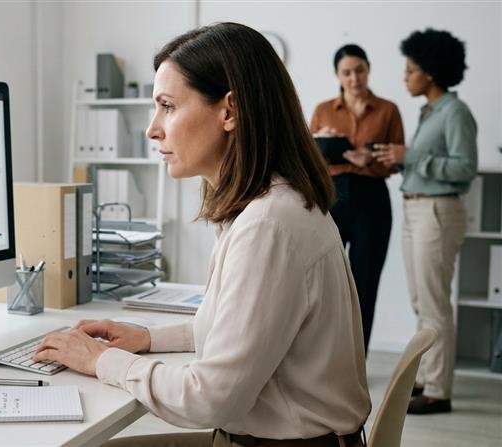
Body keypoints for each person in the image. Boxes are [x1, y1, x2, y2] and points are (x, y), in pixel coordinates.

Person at [34, 22, 371, 446]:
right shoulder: (272, 206)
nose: (152, 129)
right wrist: (147, 338)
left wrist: (104, 360)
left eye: (168, 106)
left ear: (229, 112)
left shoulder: (269, 225)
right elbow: (241, 333)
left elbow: (210, 399)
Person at [374, 29, 477, 415]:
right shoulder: (430, 112)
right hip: (416, 208)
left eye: (411, 69)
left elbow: (465, 168)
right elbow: (427, 161)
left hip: (437, 211)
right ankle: (427, 376)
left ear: (430, 73)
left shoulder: (455, 112)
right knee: (422, 300)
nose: (405, 76)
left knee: (434, 303)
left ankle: (438, 390)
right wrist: (400, 160)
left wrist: (413, 156)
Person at [310, 44, 405, 353]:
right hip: (332, 197)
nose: (354, 78)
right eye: (346, 72)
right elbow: (307, 158)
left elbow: (397, 159)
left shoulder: (388, 110)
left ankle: (356, 361)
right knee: (325, 280)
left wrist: (371, 160)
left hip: (371, 198)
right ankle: (323, 356)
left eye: (359, 70)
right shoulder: (324, 110)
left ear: (369, 69)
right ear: (337, 75)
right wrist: (321, 143)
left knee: (365, 281)